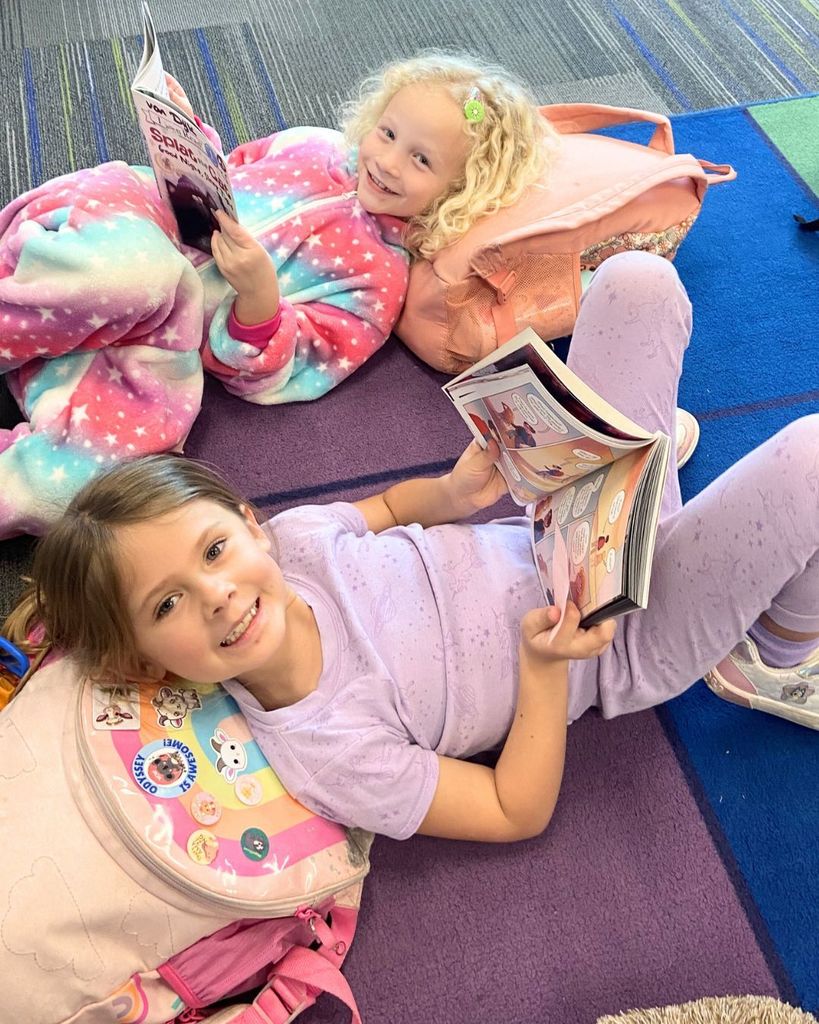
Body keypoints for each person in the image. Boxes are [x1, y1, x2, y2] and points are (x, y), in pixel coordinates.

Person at [7, 252, 818, 842]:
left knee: (635, 281)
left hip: (562, 518)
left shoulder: (294, 544)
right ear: (151, 663)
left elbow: (393, 504)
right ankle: (773, 652)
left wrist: (454, 494)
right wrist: (544, 670)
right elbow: (513, 810)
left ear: (249, 523)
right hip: (614, 636)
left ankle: (638, 477)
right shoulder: (323, 751)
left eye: (213, 552)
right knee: (809, 462)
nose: (214, 592)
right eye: (167, 603)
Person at [0, 54, 552, 537]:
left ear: (459, 193)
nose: (386, 161)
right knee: (142, 275)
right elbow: (224, 173)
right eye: (387, 133)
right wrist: (187, 130)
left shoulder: (378, 284)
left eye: (421, 159)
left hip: (162, 340)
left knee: (110, 487)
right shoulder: (312, 144)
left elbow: (279, 372)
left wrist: (259, 299)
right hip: (130, 227)